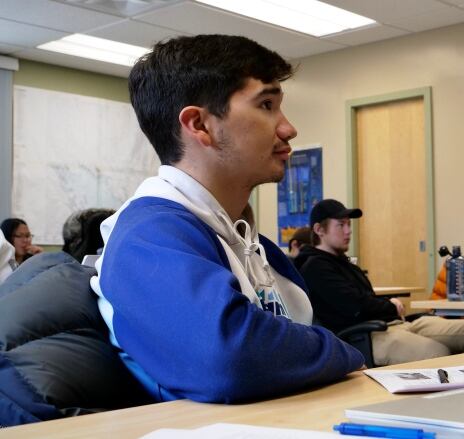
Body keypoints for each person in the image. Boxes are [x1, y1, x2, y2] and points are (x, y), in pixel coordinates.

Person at [91, 34, 364, 404]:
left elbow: (295, 340)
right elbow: (233, 359)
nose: (288, 129)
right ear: (199, 125)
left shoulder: (251, 242)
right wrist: (343, 351)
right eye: (266, 105)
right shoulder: (148, 234)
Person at [297, 199, 464, 366]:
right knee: (437, 353)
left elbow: (365, 299)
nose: (348, 231)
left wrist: (390, 307)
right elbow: (354, 306)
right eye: (341, 225)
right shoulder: (315, 267)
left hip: (393, 324)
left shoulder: (346, 263)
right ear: (319, 229)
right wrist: (390, 305)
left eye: (349, 224)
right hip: (366, 335)